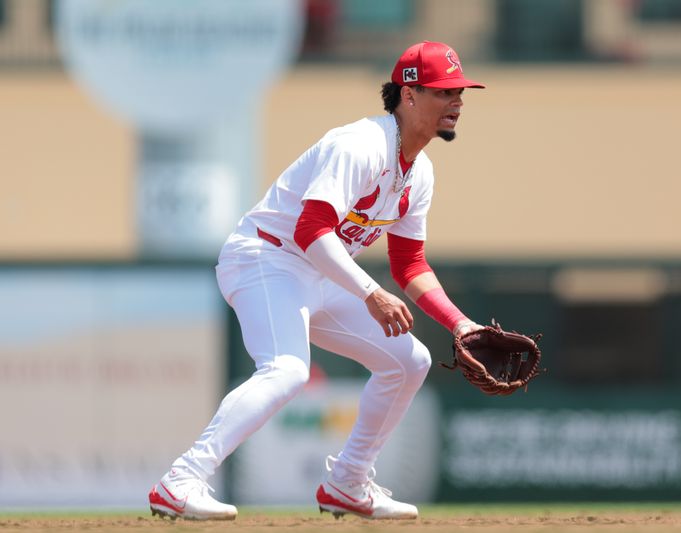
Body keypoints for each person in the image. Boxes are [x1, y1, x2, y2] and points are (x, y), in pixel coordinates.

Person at [148, 41, 485, 521]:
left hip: (319, 268)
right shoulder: (361, 145)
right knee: (286, 369)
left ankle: (348, 481)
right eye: (444, 91)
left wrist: (460, 324)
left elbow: (409, 264)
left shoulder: (420, 173)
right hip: (264, 256)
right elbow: (310, 231)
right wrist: (369, 292)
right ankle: (181, 480)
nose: (457, 101)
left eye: (460, 92)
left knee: (410, 361)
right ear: (408, 95)